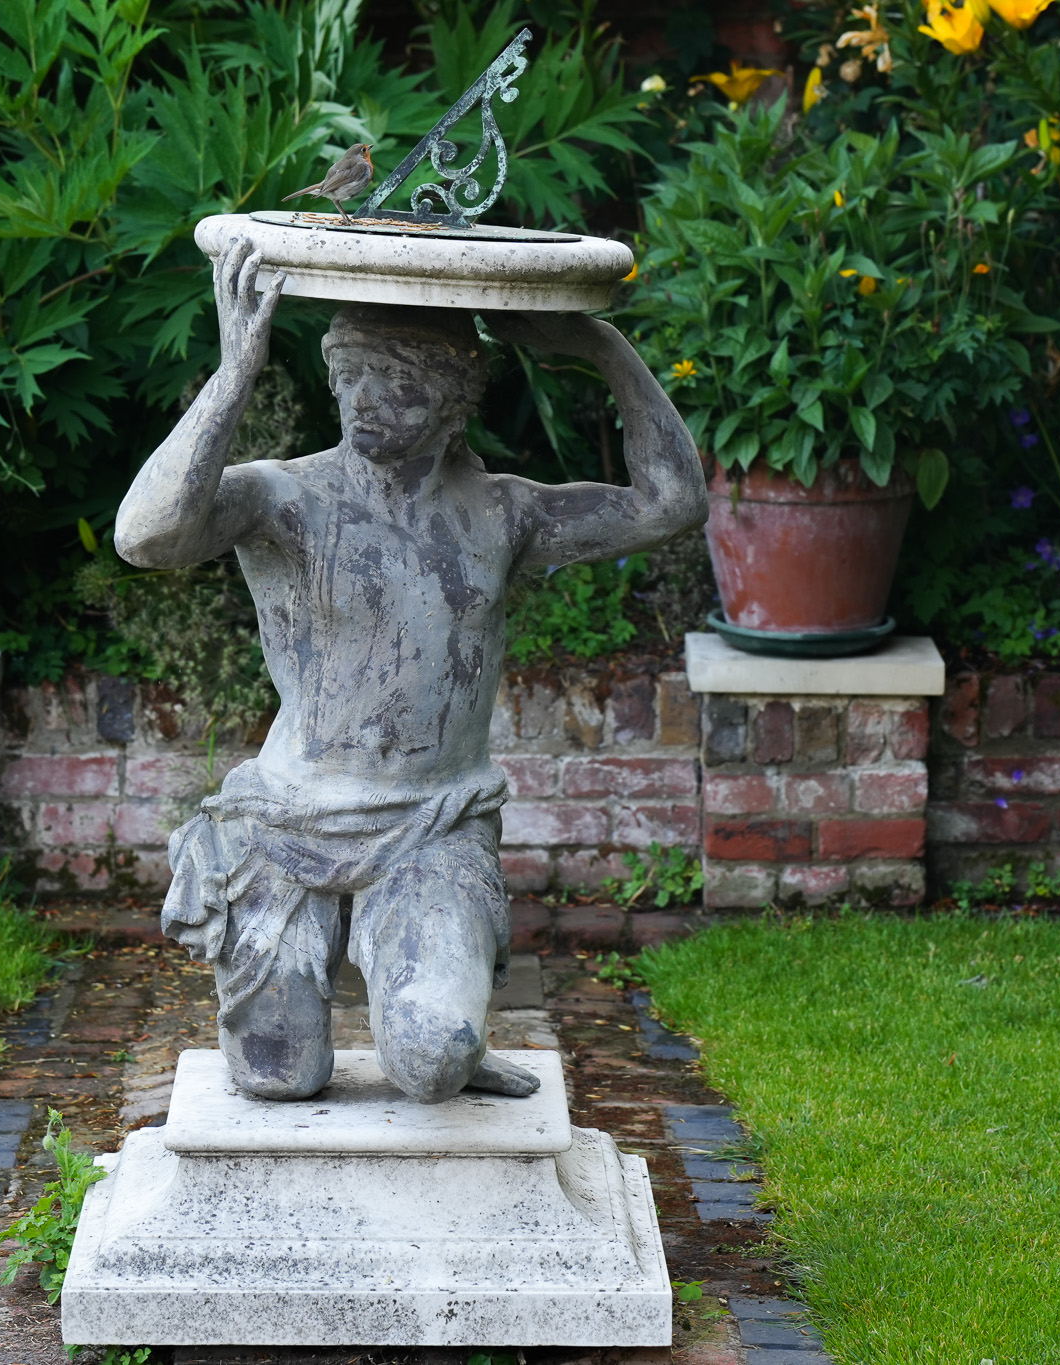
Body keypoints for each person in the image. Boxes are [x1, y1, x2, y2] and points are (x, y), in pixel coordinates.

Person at [115, 235, 708, 1104]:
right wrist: (235, 374)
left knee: (434, 1059)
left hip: (433, 825)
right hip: (284, 823)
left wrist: (601, 347)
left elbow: (673, 504)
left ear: (455, 400)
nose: (363, 400)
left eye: (397, 382)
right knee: (280, 1075)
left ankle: (447, 1018)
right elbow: (145, 536)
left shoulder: (502, 513)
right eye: (349, 375)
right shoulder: (283, 498)